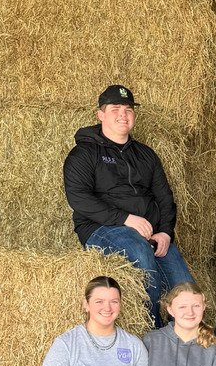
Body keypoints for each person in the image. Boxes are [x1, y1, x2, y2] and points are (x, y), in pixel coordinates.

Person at [63, 85, 195, 327]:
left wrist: (166, 232)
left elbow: (165, 198)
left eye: (128, 110)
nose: (123, 115)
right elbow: (79, 198)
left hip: (149, 233)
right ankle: (152, 330)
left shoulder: (146, 155)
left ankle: (182, 339)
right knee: (140, 252)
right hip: (101, 228)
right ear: (100, 115)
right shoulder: (84, 153)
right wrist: (125, 218)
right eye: (115, 109)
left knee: (185, 287)